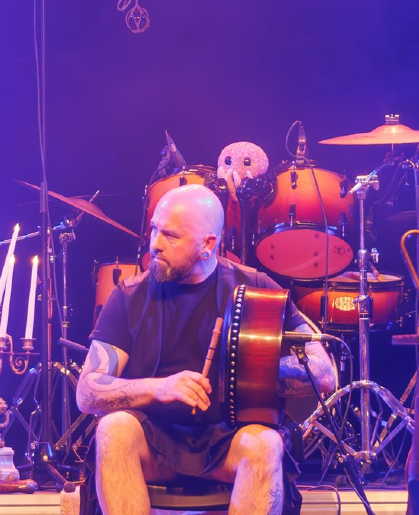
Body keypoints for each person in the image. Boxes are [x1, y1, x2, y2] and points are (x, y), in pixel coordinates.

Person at [78, 184, 338, 515]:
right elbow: (87, 392)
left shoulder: (257, 289)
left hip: (229, 441)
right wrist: (159, 387)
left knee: (266, 443)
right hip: (155, 441)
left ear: (208, 245)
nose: (154, 244)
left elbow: (322, 373)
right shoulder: (130, 295)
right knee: (113, 429)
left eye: (170, 236)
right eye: (154, 230)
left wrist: (247, 368)